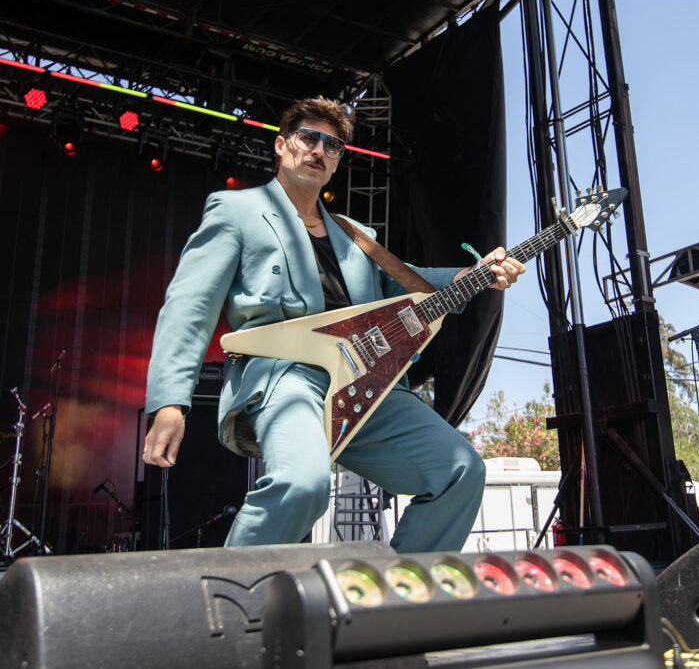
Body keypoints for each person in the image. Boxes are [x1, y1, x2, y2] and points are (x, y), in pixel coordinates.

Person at [142, 96, 525, 552]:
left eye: (333, 145)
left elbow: (406, 284)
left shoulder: (357, 234)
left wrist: (471, 276)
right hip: (286, 376)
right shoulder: (235, 211)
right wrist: (169, 403)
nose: (319, 150)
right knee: (303, 484)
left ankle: (394, 611)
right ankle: (230, 604)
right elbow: (189, 307)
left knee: (460, 471)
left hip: (367, 380)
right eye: (308, 138)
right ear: (281, 146)